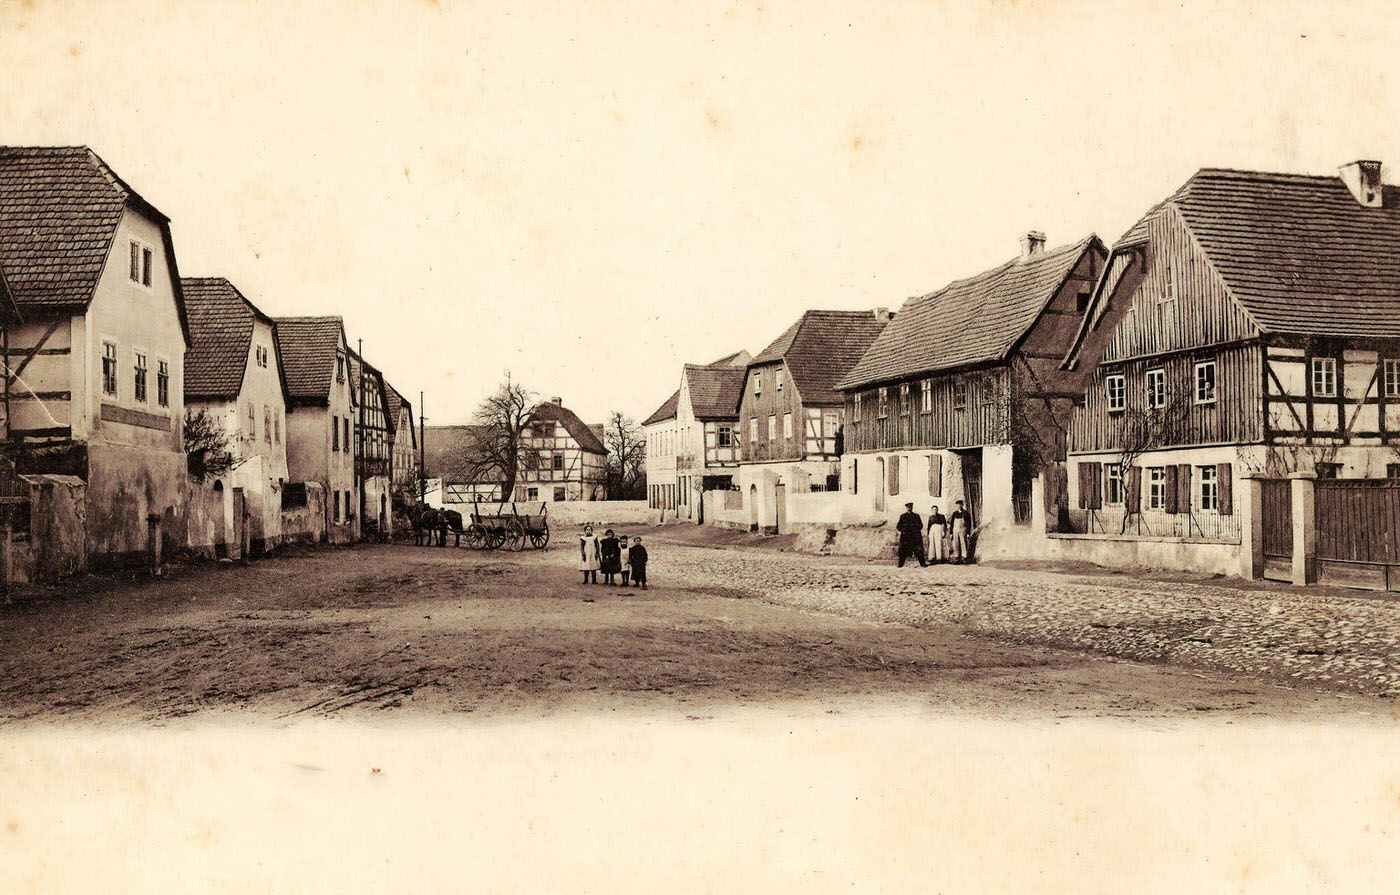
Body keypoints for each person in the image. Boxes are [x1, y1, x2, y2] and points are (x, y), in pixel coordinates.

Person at [896, 501, 927, 567]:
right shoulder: (903, 516)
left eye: (910, 507)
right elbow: (898, 526)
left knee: (919, 549)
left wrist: (916, 530)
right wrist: (904, 531)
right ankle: (900, 564)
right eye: (908, 507)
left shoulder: (916, 516)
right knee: (903, 550)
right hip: (905, 536)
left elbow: (920, 525)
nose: (909, 508)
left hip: (915, 535)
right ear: (906, 508)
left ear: (912, 508)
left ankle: (923, 564)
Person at [950, 499, 974, 564]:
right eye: (957, 505)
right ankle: (957, 558)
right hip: (955, 530)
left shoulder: (966, 513)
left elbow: (969, 523)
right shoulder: (954, 513)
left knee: (963, 543)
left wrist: (968, 533)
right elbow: (952, 523)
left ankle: (964, 558)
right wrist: (951, 533)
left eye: (960, 504)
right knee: (956, 543)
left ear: (962, 505)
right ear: (956, 505)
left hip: (963, 530)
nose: (959, 506)